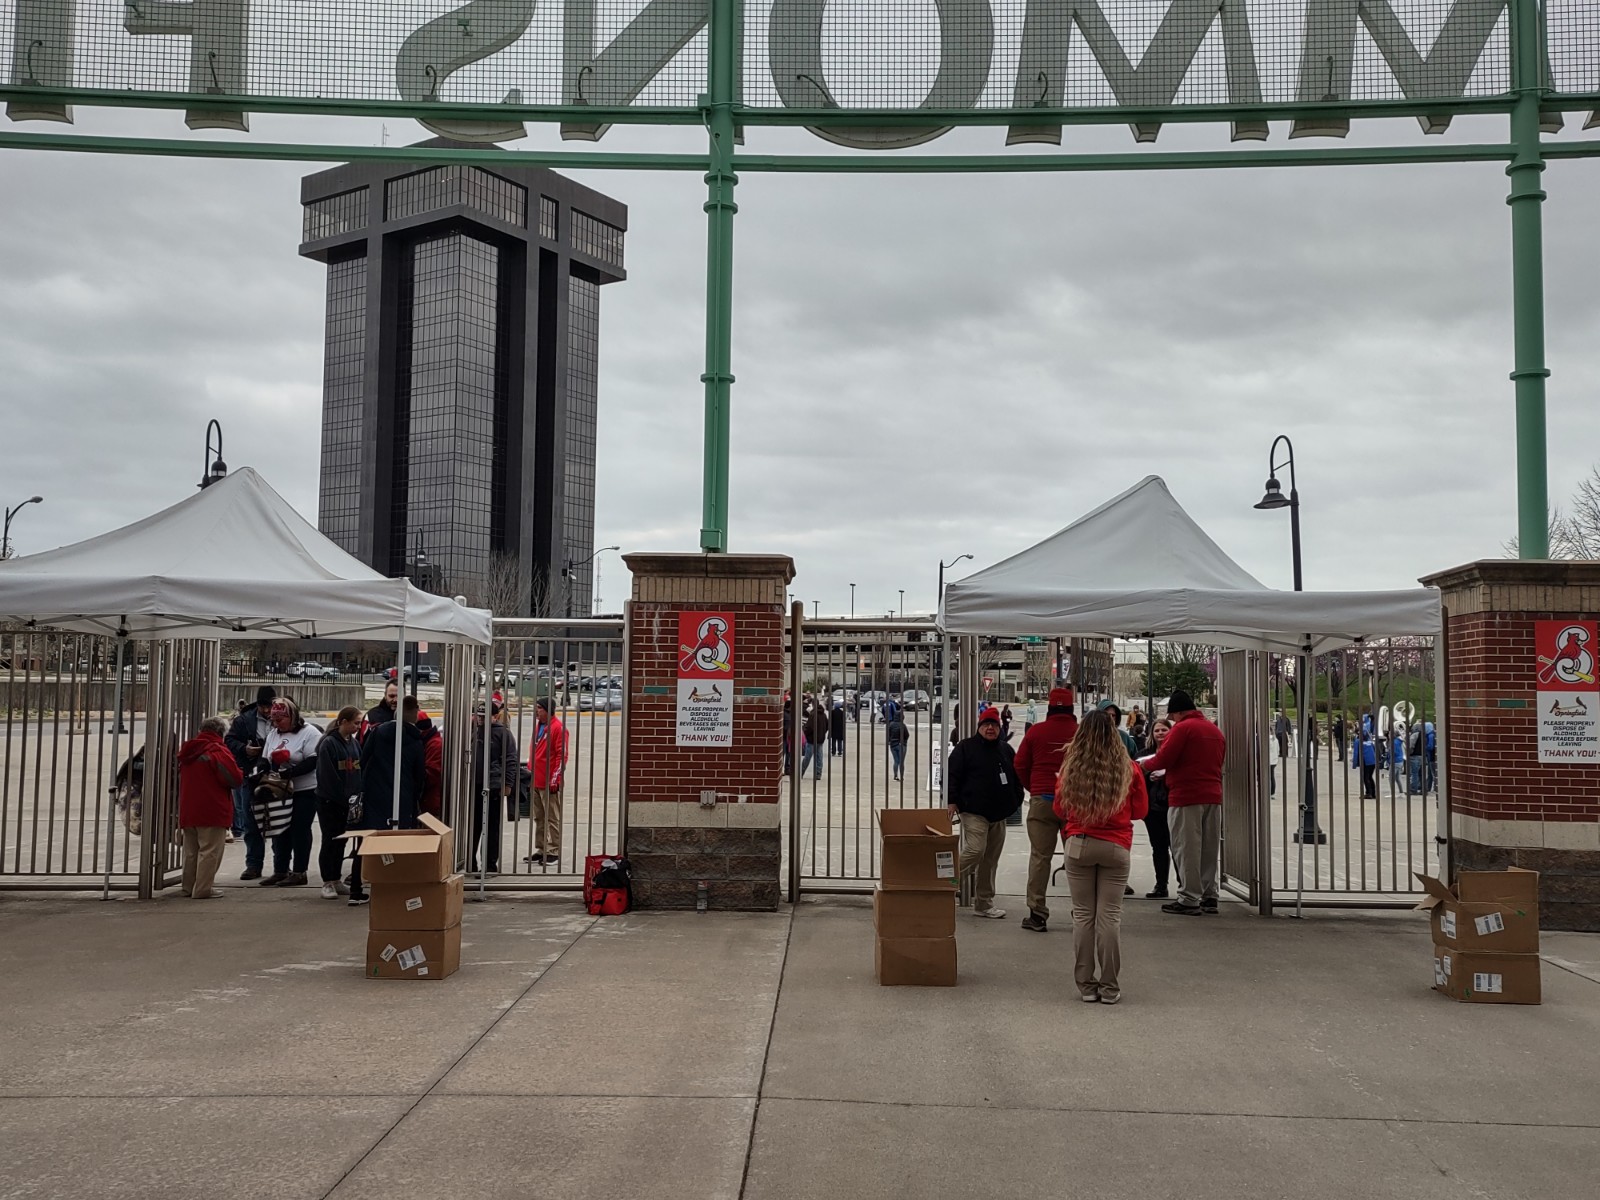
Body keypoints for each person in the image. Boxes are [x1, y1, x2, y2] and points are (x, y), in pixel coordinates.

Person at [1054, 710, 1149, 1004]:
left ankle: (1086, 985)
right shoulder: (1129, 768)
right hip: (1116, 845)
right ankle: (1110, 987)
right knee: (1109, 917)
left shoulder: (1071, 767)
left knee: (1083, 915)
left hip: (1079, 843)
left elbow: (1059, 810)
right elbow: (1141, 811)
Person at [1144, 690, 1226, 916]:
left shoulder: (1182, 729)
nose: (1171, 721)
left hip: (1186, 796)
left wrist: (1143, 766)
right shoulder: (1214, 730)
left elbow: (1164, 758)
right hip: (1213, 795)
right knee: (1209, 848)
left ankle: (1189, 897)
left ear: (1180, 711)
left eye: (1172, 716)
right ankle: (1210, 895)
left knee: (1186, 847)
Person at [946, 707, 1024, 919]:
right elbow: (952, 775)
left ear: (999, 728)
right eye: (986, 725)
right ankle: (945, 886)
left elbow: (1017, 777)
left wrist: (1016, 800)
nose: (990, 728)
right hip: (973, 811)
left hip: (999, 815)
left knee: (990, 861)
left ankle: (984, 903)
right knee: (975, 850)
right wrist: (952, 801)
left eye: (994, 725)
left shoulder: (1006, 750)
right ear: (979, 727)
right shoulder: (965, 748)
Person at [1013, 686, 1078, 932]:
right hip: (1073, 801)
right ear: (1072, 708)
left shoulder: (1036, 732)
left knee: (1040, 857)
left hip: (1042, 798)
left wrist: (1034, 788)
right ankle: (1080, 912)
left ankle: (1037, 914)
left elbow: (1019, 765)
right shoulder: (1080, 733)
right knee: (1076, 858)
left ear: (1049, 708)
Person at [352, 695, 427, 905]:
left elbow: (364, 760)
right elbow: (419, 775)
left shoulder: (377, 733)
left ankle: (356, 890)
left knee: (366, 842)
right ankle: (393, 891)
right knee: (399, 844)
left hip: (374, 796)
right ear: (413, 713)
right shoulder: (414, 739)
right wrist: (416, 797)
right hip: (401, 798)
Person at [258, 698, 322, 887]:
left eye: (280, 720)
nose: (276, 724)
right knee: (279, 828)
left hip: (304, 789)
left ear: (292, 717)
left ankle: (299, 871)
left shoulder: (309, 733)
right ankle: (280, 869)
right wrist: (259, 770)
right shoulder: (273, 734)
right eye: (273, 721)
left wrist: (292, 771)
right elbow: (265, 757)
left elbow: (313, 760)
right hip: (280, 790)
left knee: (299, 830)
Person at [177, 716, 243, 899]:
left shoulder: (189, 750)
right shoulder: (216, 750)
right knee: (210, 851)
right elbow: (234, 778)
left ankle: (188, 887)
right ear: (221, 732)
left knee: (191, 851)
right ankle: (203, 889)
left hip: (188, 808)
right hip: (211, 808)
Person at [224, 686, 275, 880]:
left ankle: (282, 867)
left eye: (269, 706)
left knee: (279, 822)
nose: (267, 711)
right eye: (263, 707)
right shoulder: (244, 720)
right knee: (251, 822)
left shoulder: (284, 717)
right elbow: (229, 740)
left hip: (276, 776)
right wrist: (245, 749)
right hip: (251, 776)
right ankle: (253, 864)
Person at [314, 705, 362, 899]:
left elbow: (359, 770)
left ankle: (336, 878)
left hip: (348, 802)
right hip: (329, 801)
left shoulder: (354, 743)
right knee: (330, 840)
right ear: (343, 722)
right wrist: (341, 797)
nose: (358, 727)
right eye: (355, 723)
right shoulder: (328, 744)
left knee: (341, 841)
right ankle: (327, 881)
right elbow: (328, 776)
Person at [468, 694, 519, 875]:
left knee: (491, 828)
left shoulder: (502, 733)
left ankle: (489, 866)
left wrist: (508, 784)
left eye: (483, 716)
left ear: (495, 716)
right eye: (477, 716)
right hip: (475, 786)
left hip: (494, 787)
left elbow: (511, 759)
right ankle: (470, 863)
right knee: (473, 827)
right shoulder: (475, 731)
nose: (479, 719)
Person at [525, 697, 568, 867]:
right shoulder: (539, 727)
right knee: (539, 817)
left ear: (548, 710)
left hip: (549, 781)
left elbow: (561, 755)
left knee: (552, 817)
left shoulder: (558, 728)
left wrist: (555, 778)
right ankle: (541, 848)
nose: (536, 711)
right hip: (536, 779)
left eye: (539, 708)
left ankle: (554, 850)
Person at [1140, 717, 1175, 899]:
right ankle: (1161, 885)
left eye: (1164, 730)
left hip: (1173, 806)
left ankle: (1185, 884)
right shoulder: (1144, 754)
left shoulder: (1176, 753)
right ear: (1151, 734)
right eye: (1157, 731)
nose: (1160, 733)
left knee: (1177, 847)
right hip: (1152, 809)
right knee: (1158, 847)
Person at [416, 710, 444, 818]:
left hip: (431, 802)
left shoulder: (435, 745)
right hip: (428, 800)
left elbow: (431, 775)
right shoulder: (429, 742)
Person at [800, 697, 828, 779]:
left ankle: (801, 772)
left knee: (807, 757)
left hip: (812, 739)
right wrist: (822, 733)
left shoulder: (813, 714)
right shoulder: (823, 714)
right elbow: (827, 726)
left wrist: (805, 733)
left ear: (812, 704)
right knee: (819, 757)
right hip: (820, 739)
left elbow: (809, 727)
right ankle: (818, 774)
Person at [885, 708, 910, 781]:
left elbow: (888, 735)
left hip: (893, 745)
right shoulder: (902, 725)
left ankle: (895, 775)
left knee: (896, 761)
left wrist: (889, 741)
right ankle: (901, 776)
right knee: (901, 761)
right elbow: (907, 735)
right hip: (901, 744)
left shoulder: (891, 725)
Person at [1354, 728, 1379, 798]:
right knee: (1370, 777)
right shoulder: (1370, 742)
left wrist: (1355, 764)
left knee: (1365, 777)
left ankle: (1369, 793)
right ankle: (1373, 793)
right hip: (1373, 761)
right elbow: (1375, 750)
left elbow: (1356, 753)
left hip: (1366, 761)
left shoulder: (1358, 742)